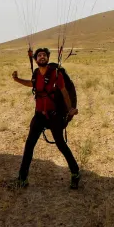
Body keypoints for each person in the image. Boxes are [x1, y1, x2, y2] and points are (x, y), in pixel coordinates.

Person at [11, 47, 80, 189]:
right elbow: (32, 83)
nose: (42, 57)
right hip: (39, 116)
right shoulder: (36, 73)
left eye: (44, 55)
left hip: (54, 115)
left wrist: (70, 109)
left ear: (48, 58)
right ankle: (22, 178)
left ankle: (75, 173)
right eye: (39, 55)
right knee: (29, 145)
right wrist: (17, 79)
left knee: (61, 144)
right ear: (35, 60)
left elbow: (64, 92)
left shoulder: (56, 74)